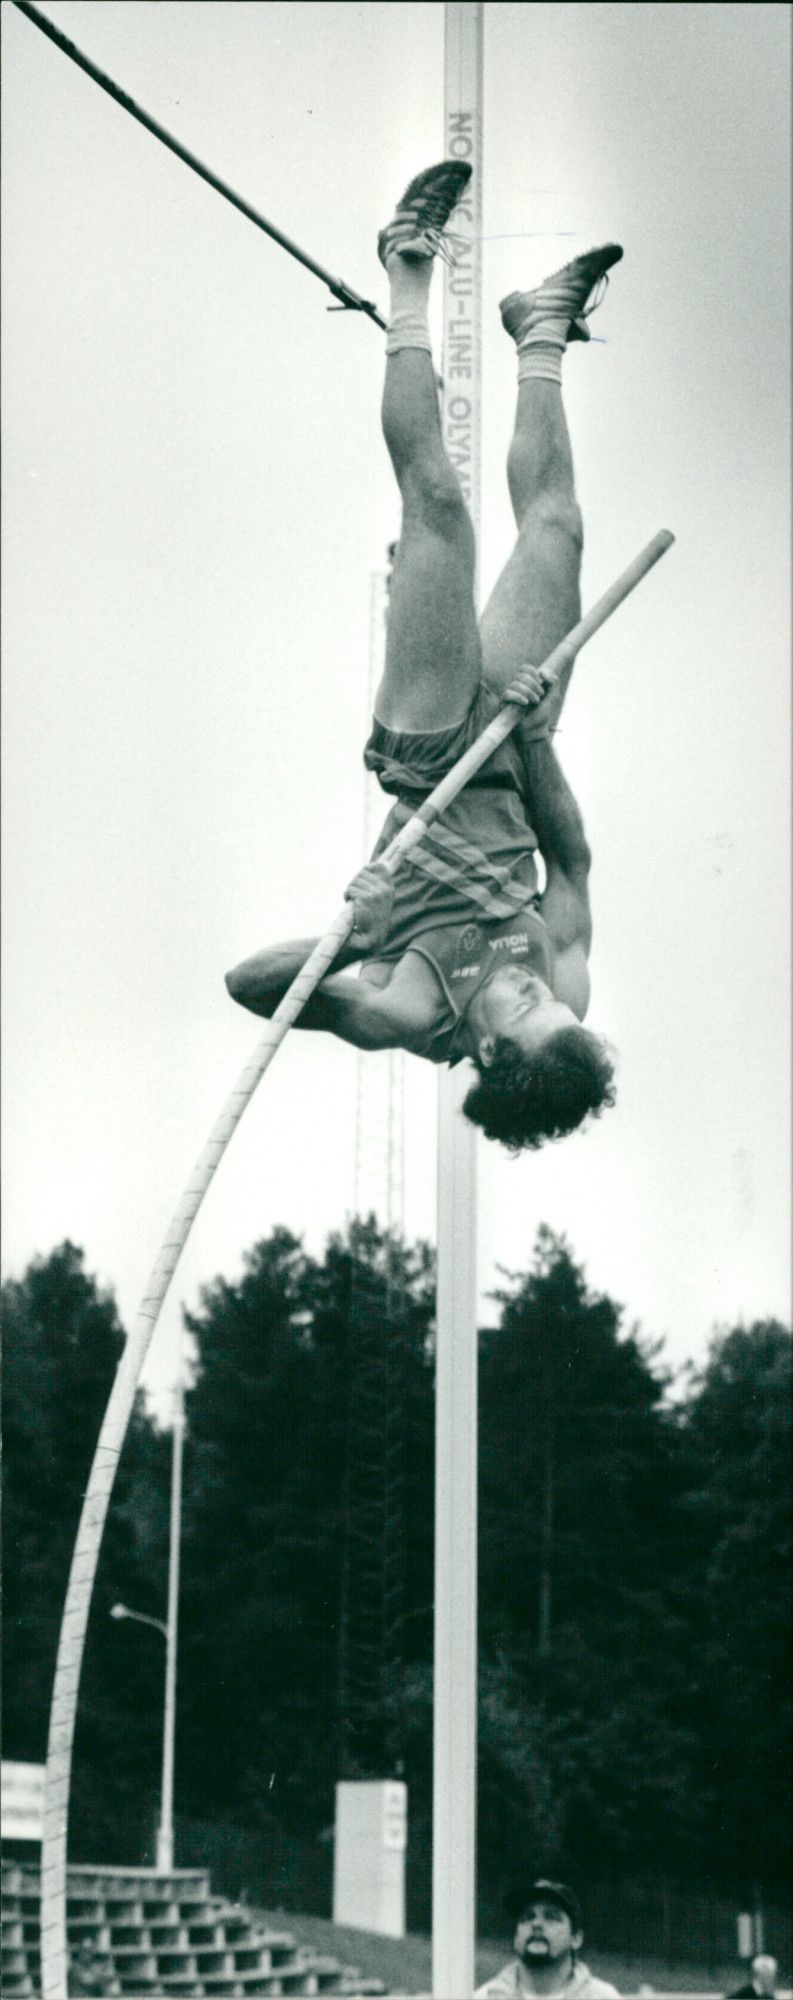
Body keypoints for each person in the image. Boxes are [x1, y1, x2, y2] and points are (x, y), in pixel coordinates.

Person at [227, 162, 622, 1153]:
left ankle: (406, 269)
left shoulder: (411, 1012)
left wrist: (348, 940)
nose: (538, 987)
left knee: (439, 515)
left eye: (525, 1006)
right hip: (503, 744)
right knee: (556, 528)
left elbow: (250, 985)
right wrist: (534, 742)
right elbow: (568, 859)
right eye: (551, 1000)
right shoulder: (567, 984)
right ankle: (538, 330)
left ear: (488, 1053)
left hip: (434, 746)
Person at [475, 1878, 619, 1998]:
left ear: (576, 1939)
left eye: (551, 1917)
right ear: (516, 1937)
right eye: (527, 1917)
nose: (536, 1924)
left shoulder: (603, 1997)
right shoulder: (483, 1997)